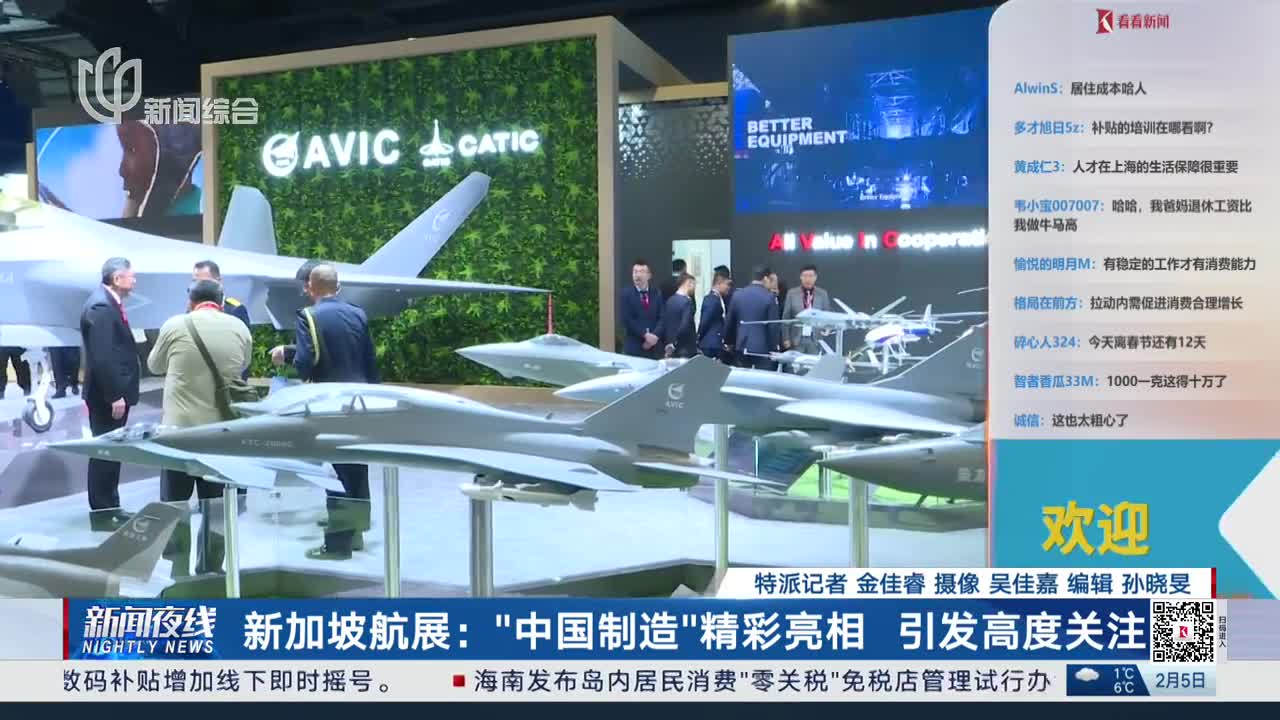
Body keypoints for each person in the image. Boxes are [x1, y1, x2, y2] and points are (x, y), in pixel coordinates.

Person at [269, 264, 379, 561]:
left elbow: (307, 363)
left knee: (335, 474)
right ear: (337, 285)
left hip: (328, 403)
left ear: (310, 287)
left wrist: (288, 355)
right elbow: (369, 361)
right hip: (360, 401)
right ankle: (356, 532)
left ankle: (337, 545)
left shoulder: (309, 316)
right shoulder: (358, 313)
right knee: (357, 468)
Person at [147, 279, 253, 576]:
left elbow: (155, 366)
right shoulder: (239, 328)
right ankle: (211, 569)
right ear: (222, 301)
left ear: (190, 301)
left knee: (175, 505)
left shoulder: (175, 325)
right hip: (221, 435)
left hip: (178, 435)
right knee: (216, 505)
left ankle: (178, 570)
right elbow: (243, 363)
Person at [80, 257, 140, 531]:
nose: (134, 281)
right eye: (131, 276)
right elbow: (102, 357)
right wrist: (115, 395)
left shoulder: (107, 302)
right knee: (105, 452)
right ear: (117, 279)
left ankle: (110, 505)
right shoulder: (102, 306)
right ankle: (103, 511)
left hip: (111, 394)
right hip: (107, 397)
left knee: (112, 451)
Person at [192, 260, 251, 378]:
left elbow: (243, 354)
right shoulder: (191, 311)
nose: (200, 288)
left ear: (219, 282)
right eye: (195, 283)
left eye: (205, 283)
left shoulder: (234, 310)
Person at [724, 265, 780, 371]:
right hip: (763, 348)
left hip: (741, 345)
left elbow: (730, 321)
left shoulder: (737, 295)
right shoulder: (769, 297)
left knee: (743, 378)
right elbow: (773, 326)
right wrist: (774, 347)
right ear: (765, 279)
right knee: (763, 378)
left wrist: (729, 342)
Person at [782, 264, 832, 356]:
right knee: (796, 364)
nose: (807, 279)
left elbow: (827, 314)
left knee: (813, 363)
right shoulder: (792, 293)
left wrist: (827, 328)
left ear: (815, 277)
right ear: (800, 277)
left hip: (815, 339)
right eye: (805, 276)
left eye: (810, 276)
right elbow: (786, 317)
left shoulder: (822, 294)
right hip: (796, 339)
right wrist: (786, 338)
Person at [618, 259, 663, 358]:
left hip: (654, 347)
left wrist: (654, 336)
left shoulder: (657, 293)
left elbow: (662, 318)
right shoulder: (626, 294)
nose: (638, 275)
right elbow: (627, 319)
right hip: (634, 346)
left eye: (641, 272)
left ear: (649, 275)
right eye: (635, 272)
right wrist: (645, 335)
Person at [661, 273, 698, 359]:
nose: (694, 288)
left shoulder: (669, 301)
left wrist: (670, 344)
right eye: (694, 285)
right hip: (686, 347)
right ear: (689, 283)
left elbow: (665, 323)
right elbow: (685, 326)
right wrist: (675, 343)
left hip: (670, 347)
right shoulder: (687, 302)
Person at [698, 272, 733, 361]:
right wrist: (699, 337)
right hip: (710, 344)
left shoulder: (718, 298)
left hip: (716, 343)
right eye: (727, 284)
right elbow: (705, 321)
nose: (728, 287)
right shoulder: (711, 299)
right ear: (719, 283)